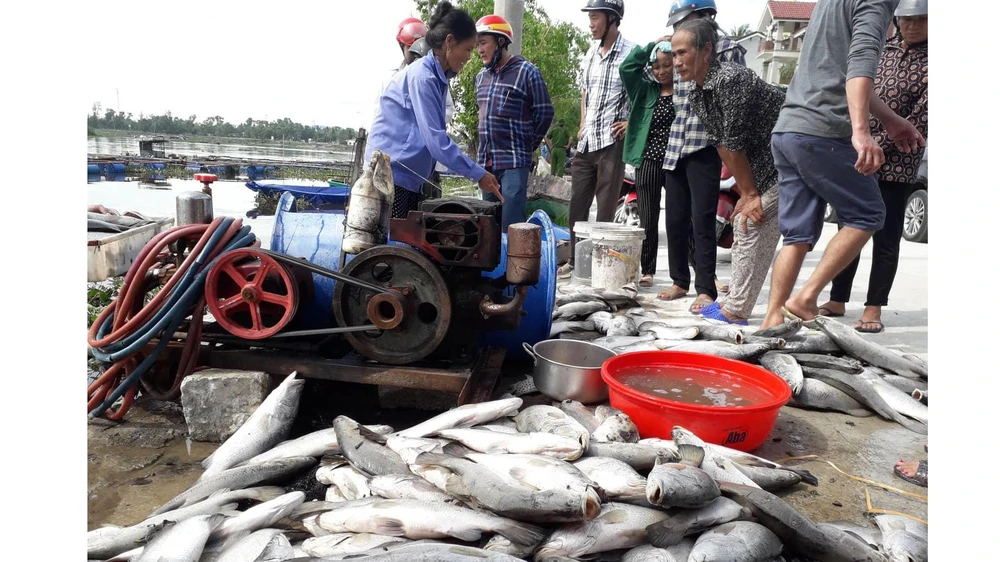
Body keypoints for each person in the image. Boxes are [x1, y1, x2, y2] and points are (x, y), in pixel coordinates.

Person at [758, 0, 924, 330]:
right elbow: (860, 69)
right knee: (869, 214)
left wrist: (891, 121)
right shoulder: (874, 2)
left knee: (797, 235)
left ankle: (772, 319)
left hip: (789, 129)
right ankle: (805, 299)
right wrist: (861, 132)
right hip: (824, 131)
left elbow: (840, 73)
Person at [817, 0, 928, 333]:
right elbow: (858, 93)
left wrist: (882, 144)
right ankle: (837, 298)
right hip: (860, 154)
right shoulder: (882, 51)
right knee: (848, 230)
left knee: (887, 236)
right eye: (907, 20)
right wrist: (859, 138)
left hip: (898, 161)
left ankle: (873, 307)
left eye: (921, 20)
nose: (912, 26)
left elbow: (922, 119)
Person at [672, 19, 786, 325]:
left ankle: (736, 310)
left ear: (706, 51)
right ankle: (736, 306)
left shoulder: (729, 79)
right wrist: (747, 191)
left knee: (749, 224)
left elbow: (734, 140)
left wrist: (750, 195)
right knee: (746, 222)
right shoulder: (696, 91)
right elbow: (721, 143)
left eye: (683, 52)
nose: (677, 61)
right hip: (763, 168)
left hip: (788, 157)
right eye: (674, 54)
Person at [366, 1, 503, 219]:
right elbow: (437, 142)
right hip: (391, 176)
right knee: (390, 247)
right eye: (467, 49)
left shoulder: (438, 79)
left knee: (403, 242)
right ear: (449, 42)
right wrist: (478, 174)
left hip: (407, 176)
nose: (469, 57)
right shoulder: (424, 77)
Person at [658, 0, 746, 313]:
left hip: (707, 143)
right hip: (677, 144)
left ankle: (705, 287)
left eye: (685, 23)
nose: (678, 33)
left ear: (704, 18)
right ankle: (679, 279)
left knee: (703, 219)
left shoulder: (728, 48)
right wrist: (664, 45)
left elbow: (735, 94)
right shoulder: (676, 49)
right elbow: (648, 71)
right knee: (675, 219)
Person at [560, 0, 634, 279]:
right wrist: (581, 124)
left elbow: (646, 94)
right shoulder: (590, 53)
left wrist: (631, 122)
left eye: (595, 17)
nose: (590, 23)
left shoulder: (631, 54)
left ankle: (602, 266)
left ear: (612, 19)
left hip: (611, 144)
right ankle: (575, 261)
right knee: (577, 204)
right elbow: (584, 92)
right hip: (587, 142)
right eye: (589, 17)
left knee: (605, 209)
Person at [474, 14, 555, 232]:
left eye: (483, 43)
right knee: (486, 226)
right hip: (486, 163)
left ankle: (513, 267)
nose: (479, 49)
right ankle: (491, 267)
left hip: (513, 162)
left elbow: (545, 112)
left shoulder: (527, 72)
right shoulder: (481, 77)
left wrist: (527, 145)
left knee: (511, 226)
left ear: (500, 42)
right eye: (477, 44)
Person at [619, 38, 675, 288]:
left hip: (677, 163)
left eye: (667, 65)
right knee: (648, 218)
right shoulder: (644, 90)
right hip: (649, 160)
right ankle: (648, 269)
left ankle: (694, 272)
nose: (661, 71)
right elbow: (627, 68)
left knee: (682, 219)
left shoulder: (686, 91)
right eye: (656, 66)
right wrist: (652, 42)